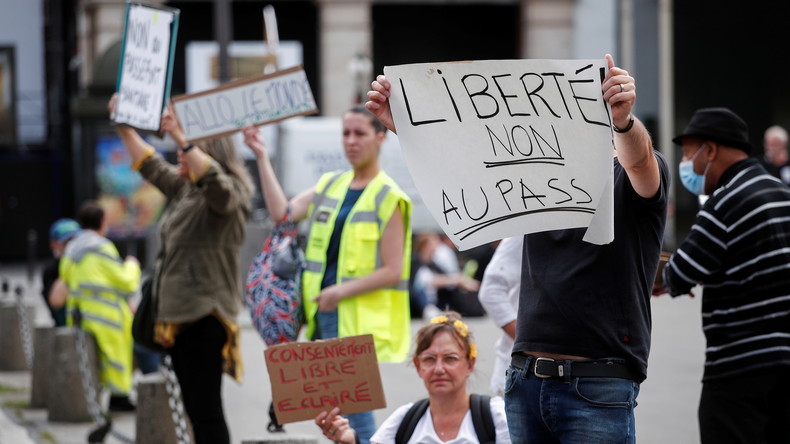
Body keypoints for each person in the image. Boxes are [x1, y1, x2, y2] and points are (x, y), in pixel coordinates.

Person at [366, 53, 670, 443]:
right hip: (525, 383)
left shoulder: (627, 175)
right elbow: (464, 166)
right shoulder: (533, 179)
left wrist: (624, 123)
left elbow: (641, 161)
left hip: (597, 385)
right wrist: (407, 125)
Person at [242, 104, 412, 444]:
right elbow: (282, 214)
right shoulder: (331, 184)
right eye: (346, 133)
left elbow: (393, 270)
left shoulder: (389, 196)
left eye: (360, 133)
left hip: (353, 322)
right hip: (322, 316)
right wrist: (261, 155)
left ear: (380, 138)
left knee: (357, 419)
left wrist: (338, 292)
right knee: (338, 415)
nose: (351, 141)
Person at [110, 97, 254, 444]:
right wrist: (123, 127)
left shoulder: (227, 194)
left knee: (206, 413)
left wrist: (180, 136)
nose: (179, 152)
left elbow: (216, 184)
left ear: (209, 154)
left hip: (204, 318)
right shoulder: (188, 191)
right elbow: (152, 166)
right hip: (181, 316)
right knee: (196, 412)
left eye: (188, 147)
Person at [659, 107, 790, 444]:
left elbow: (678, 274)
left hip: (739, 369)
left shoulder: (724, 202)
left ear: (711, 150)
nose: (687, 163)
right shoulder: (780, 193)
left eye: (689, 153)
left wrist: (660, 272)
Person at [314, 311, 511, 444]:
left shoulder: (495, 417)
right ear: (418, 366)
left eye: (450, 359)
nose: (439, 369)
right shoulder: (404, 421)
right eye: (429, 359)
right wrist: (350, 440)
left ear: (470, 364)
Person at [58, 200, 141, 411]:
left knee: (89, 360)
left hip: (79, 314)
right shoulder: (102, 247)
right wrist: (132, 265)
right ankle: (119, 397)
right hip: (107, 315)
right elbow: (125, 281)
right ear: (103, 222)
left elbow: (65, 275)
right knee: (116, 356)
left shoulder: (71, 249)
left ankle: (95, 399)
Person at [476, 236, 522, 396]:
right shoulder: (528, 231)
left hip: (585, 370)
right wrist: (527, 341)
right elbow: (490, 291)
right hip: (523, 371)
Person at [411, 232, 480, 319]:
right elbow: (427, 281)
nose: (437, 246)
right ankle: (428, 309)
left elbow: (447, 275)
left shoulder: (433, 263)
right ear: (425, 245)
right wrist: (455, 281)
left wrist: (463, 280)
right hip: (418, 300)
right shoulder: (415, 261)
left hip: (435, 300)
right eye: (434, 242)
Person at [41, 218, 81, 327]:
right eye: (67, 242)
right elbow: (56, 304)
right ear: (53, 244)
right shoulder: (51, 271)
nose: (73, 246)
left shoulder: (86, 263)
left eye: (76, 241)